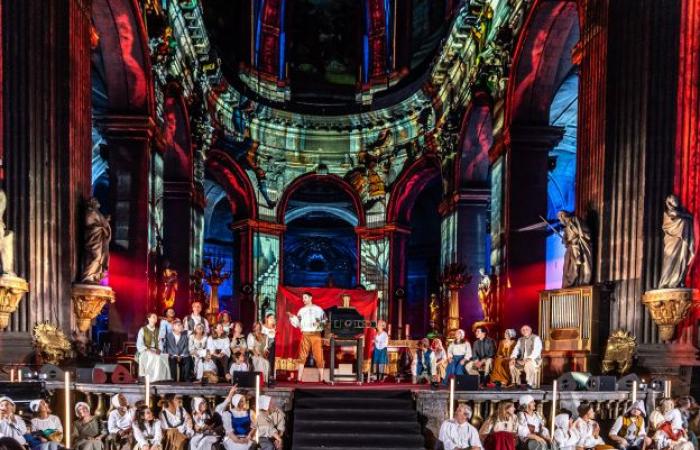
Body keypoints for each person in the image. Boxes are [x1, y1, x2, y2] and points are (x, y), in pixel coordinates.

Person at [287, 291, 326, 383]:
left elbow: (325, 320)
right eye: (303, 298)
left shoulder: (318, 309)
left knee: (319, 355)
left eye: (305, 297)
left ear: (310, 298)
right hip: (305, 334)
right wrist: (292, 317)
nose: (303, 300)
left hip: (316, 334)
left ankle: (322, 378)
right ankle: (299, 379)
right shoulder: (301, 310)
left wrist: (319, 323)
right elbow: (298, 323)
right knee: (302, 355)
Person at [136, 312, 171, 382]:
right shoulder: (143, 330)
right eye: (153, 317)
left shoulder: (158, 330)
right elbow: (139, 343)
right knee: (153, 357)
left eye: (156, 317)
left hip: (155, 350)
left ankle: (159, 377)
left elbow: (160, 342)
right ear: (148, 318)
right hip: (145, 350)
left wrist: (160, 349)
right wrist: (147, 349)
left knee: (163, 356)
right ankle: (149, 377)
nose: (155, 318)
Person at [261, 314, 277, 386]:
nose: (272, 319)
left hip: (273, 345)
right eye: (270, 318)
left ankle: (271, 377)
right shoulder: (263, 327)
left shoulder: (275, 327)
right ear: (266, 319)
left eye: (273, 318)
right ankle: (264, 378)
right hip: (264, 345)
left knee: (272, 361)